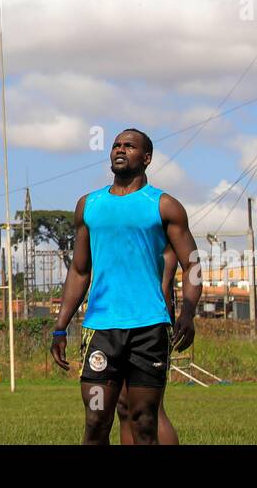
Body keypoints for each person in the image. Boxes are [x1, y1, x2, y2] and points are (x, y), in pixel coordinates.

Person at [50, 129, 200, 445]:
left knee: (144, 421)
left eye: (129, 146)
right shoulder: (88, 205)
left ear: (146, 158)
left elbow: (193, 265)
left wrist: (188, 312)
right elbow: (79, 271)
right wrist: (61, 326)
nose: (120, 149)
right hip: (101, 330)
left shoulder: (165, 205)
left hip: (149, 329)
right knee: (96, 419)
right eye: (116, 145)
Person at [116, 245, 181, 445]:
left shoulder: (155, 222)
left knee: (150, 410)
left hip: (149, 325)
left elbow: (164, 283)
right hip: (119, 321)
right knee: (124, 406)